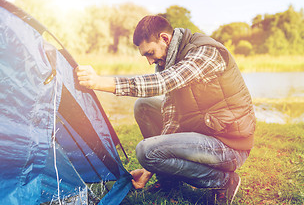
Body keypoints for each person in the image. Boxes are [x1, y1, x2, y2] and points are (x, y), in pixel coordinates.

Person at [75, 15, 255, 204]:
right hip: (205, 132)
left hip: (230, 145)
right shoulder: (168, 60)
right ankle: (169, 179)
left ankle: (224, 181)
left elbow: (163, 82)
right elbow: (172, 118)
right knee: (144, 106)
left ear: (165, 39)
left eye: (150, 53)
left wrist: (100, 82)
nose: (150, 61)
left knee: (145, 150)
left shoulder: (205, 52)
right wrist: (150, 169)